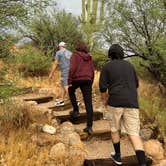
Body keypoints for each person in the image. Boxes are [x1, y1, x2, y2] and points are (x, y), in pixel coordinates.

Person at [99, 44, 147, 166]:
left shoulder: (107, 66)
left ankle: (118, 156)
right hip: (132, 103)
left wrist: (104, 101)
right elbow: (136, 84)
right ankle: (143, 163)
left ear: (110, 55)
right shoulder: (130, 66)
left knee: (115, 129)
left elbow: (103, 88)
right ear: (122, 54)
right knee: (134, 134)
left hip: (115, 102)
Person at [68, 41, 94, 134]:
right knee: (88, 103)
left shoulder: (75, 55)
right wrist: (91, 81)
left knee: (71, 90)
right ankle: (89, 126)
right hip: (87, 80)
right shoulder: (89, 57)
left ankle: (76, 110)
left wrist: (69, 81)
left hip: (77, 79)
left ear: (77, 47)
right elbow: (92, 70)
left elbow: (72, 68)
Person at [49, 42, 72, 106]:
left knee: (65, 86)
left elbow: (55, 63)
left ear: (60, 46)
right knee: (62, 85)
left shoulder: (58, 53)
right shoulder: (70, 53)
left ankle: (75, 101)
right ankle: (62, 100)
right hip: (71, 71)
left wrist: (51, 74)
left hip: (65, 71)